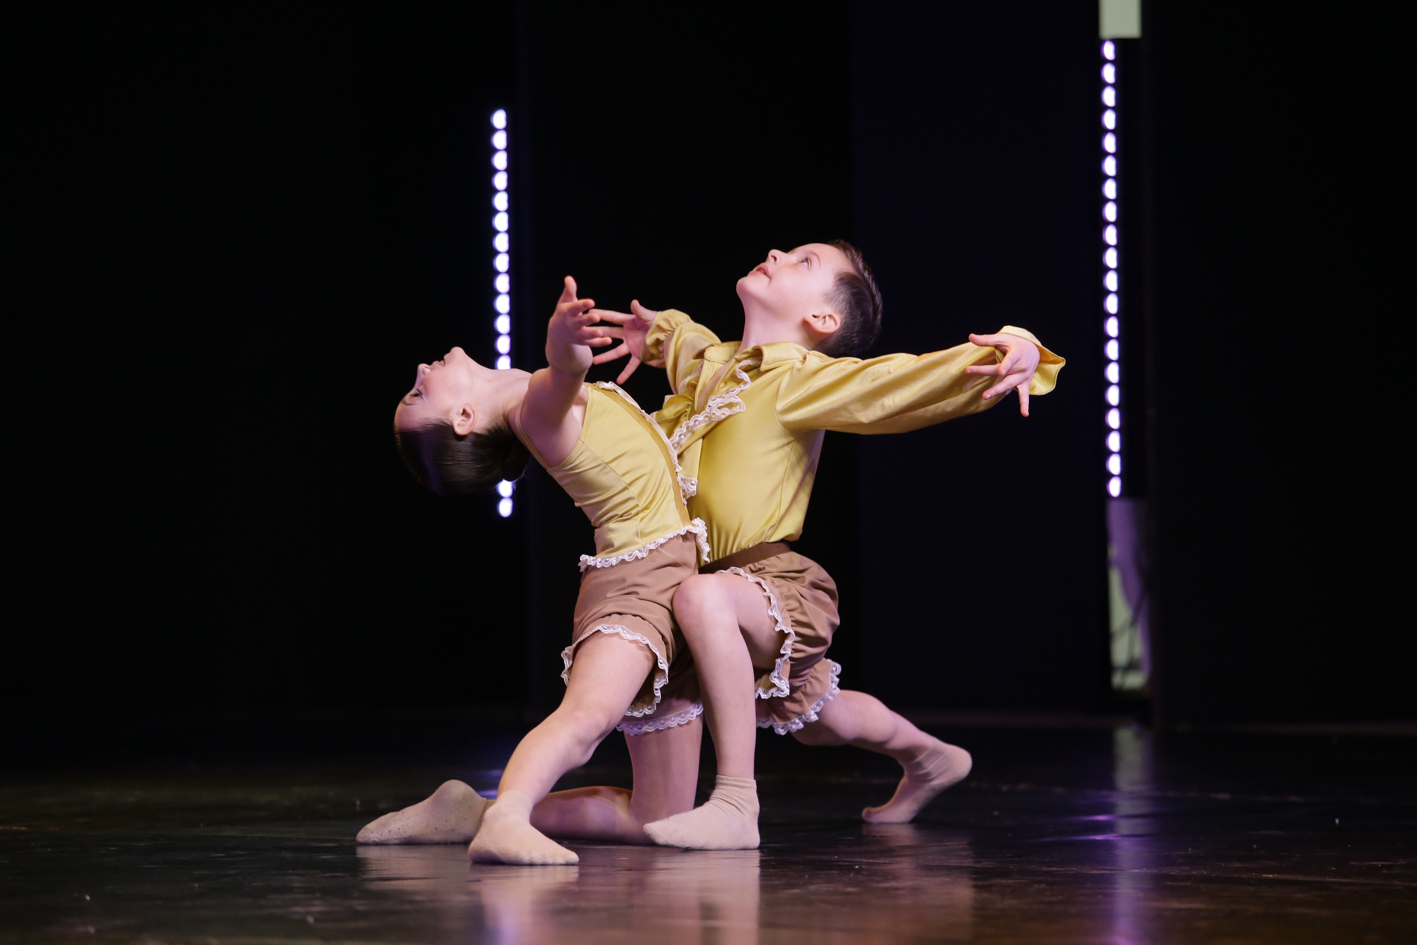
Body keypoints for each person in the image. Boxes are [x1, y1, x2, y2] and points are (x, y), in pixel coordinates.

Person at [584, 240, 1065, 850]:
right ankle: (931, 756)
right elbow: (689, 342)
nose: (777, 252)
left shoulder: (802, 379)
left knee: (705, 599)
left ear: (823, 319)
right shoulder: (713, 367)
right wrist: (655, 333)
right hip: (698, 596)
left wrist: (1017, 349)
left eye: (804, 262)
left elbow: (900, 381)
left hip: (768, 584)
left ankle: (736, 801)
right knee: (818, 718)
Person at [361, 276, 713, 865]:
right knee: (587, 717)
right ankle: (506, 818)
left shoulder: (535, 407)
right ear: (465, 417)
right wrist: (563, 338)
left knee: (660, 817)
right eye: (419, 393)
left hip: (672, 585)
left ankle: (472, 813)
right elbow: (565, 371)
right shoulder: (536, 414)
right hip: (638, 584)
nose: (421, 370)